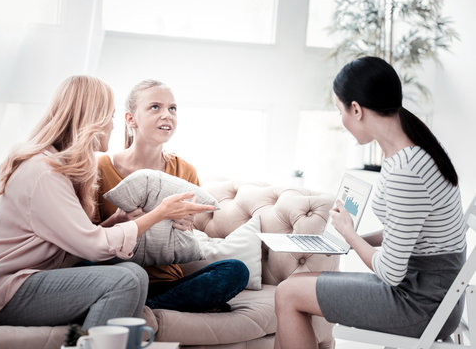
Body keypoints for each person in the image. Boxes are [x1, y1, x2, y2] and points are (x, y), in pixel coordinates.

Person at [0, 75, 216, 330]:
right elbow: (93, 248)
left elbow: (77, 242)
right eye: (110, 116)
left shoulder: (56, 167)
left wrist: (115, 221)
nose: (113, 126)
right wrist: (159, 213)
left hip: (25, 281)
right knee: (128, 279)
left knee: (132, 275)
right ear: (91, 118)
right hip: (1, 289)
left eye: (172, 108)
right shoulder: (44, 172)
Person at [274, 56, 467, 349]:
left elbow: (391, 272)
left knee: (288, 294)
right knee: (294, 285)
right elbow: (410, 234)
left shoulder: (406, 169)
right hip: (425, 292)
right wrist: (356, 239)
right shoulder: (405, 152)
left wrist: (349, 232)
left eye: (340, 111)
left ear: (356, 109)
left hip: (421, 304)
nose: (342, 122)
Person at [95, 79, 249, 312]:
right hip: (116, 278)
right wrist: (117, 222)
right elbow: (84, 238)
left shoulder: (185, 171)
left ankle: (147, 307)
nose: (167, 115)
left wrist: (187, 225)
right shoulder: (99, 169)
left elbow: (185, 236)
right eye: (155, 107)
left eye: (172, 108)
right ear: (130, 119)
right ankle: (153, 305)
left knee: (236, 270)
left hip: (166, 282)